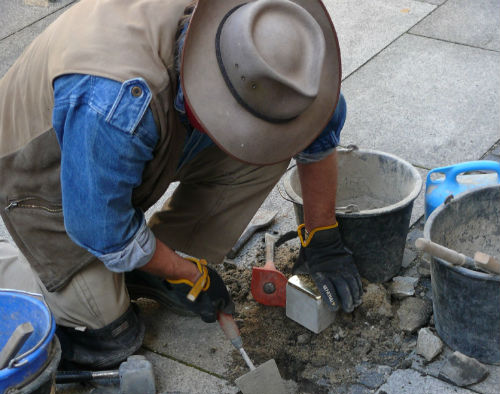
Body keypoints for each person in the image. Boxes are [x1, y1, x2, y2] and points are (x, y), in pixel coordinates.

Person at [0, 0, 362, 369]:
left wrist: (323, 236)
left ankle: (155, 258)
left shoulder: (272, 54)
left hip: (129, 136)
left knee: (271, 146)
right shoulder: (114, 104)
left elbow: (317, 129)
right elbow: (100, 230)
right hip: (45, 178)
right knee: (110, 338)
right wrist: (188, 274)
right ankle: (20, 272)